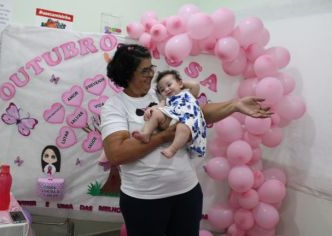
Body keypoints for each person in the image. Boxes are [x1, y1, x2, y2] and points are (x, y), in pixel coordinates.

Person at [100, 44, 271, 236]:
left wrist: (235, 105)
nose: (151, 74)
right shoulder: (114, 106)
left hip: (186, 193)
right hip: (144, 200)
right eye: (145, 70)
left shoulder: (162, 92)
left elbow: (197, 113)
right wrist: (165, 136)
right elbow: (116, 154)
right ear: (127, 74)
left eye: (152, 68)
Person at [132, 70, 207, 158]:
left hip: (186, 121)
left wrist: (180, 84)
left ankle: (172, 149)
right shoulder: (166, 100)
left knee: (183, 126)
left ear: (180, 83)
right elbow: (159, 107)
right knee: (156, 113)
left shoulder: (187, 94)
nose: (166, 89)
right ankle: (146, 134)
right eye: (162, 90)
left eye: (169, 85)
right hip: (170, 121)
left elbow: (195, 85)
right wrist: (151, 109)